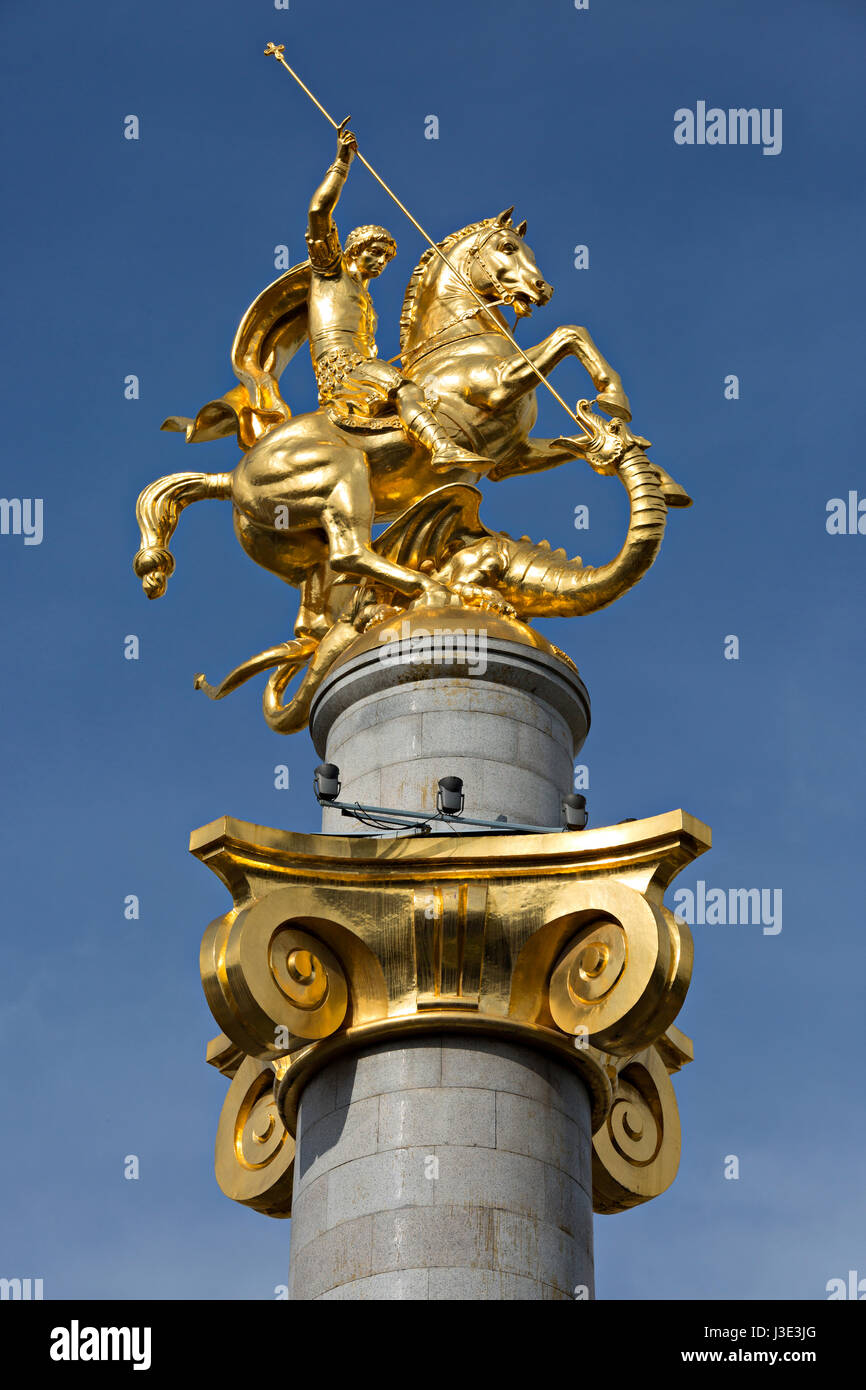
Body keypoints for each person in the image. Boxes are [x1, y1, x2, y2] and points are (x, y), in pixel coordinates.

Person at [305, 120, 492, 469]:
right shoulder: (330, 271)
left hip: (360, 364)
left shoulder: (366, 300)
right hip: (343, 368)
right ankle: (443, 449)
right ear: (353, 249)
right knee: (406, 389)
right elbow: (318, 212)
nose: (378, 262)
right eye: (373, 253)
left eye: (385, 259)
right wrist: (342, 165)